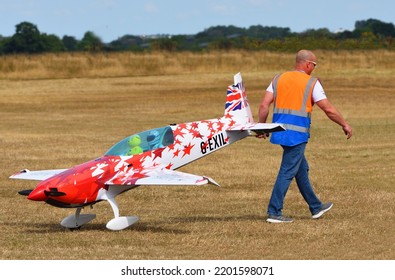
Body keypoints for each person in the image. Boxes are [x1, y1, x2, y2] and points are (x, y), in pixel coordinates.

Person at [258, 49, 353, 223]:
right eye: (314, 65)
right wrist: (344, 124)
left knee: (301, 169)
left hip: (279, 131)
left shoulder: (277, 79)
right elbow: (328, 109)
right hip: (297, 134)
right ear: (308, 64)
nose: (314, 68)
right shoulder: (311, 83)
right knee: (287, 171)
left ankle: (316, 207)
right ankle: (274, 212)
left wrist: (262, 127)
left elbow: (264, 105)